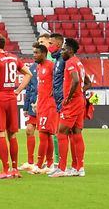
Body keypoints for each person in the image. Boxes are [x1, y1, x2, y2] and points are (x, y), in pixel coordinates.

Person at [0, 33, 32, 180]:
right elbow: (28, 74)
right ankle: (14, 169)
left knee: (0, 133)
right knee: (12, 134)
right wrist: (18, 90)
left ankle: (5, 170)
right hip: (11, 98)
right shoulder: (13, 57)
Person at [49, 38, 91, 178]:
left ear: (71, 50)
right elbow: (88, 82)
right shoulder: (79, 62)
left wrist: (69, 97)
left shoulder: (71, 63)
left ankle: (62, 168)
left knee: (61, 133)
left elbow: (76, 80)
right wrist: (80, 92)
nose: (62, 51)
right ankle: (79, 168)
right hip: (80, 101)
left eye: (64, 49)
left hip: (72, 103)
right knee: (76, 133)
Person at [29, 42, 56, 174]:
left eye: (37, 53)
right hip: (41, 104)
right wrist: (37, 102)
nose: (34, 55)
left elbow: (59, 81)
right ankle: (49, 164)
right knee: (47, 135)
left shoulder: (51, 66)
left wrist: (54, 93)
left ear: (44, 54)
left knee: (43, 135)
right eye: (33, 53)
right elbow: (41, 88)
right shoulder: (39, 68)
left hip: (49, 105)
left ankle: (39, 165)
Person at [20, 52, 39, 171]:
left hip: (45, 104)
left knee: (46, 134)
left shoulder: (50, 65)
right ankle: (30, 162)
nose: (34, 54)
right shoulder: (32, 68)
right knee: (29, 130)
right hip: (33, 105)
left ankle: (48, 162)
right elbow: (29, 88)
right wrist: (26, 107)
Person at [49, 32, 65, 163]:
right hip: (58, 100)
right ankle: (58, 162)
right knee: (58, 133)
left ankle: (61, 163)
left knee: (63, 133)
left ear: (58, 44)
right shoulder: (58, 60)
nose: (49, 47)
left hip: (64, 101)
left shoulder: (64, 60)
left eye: (50, 43)